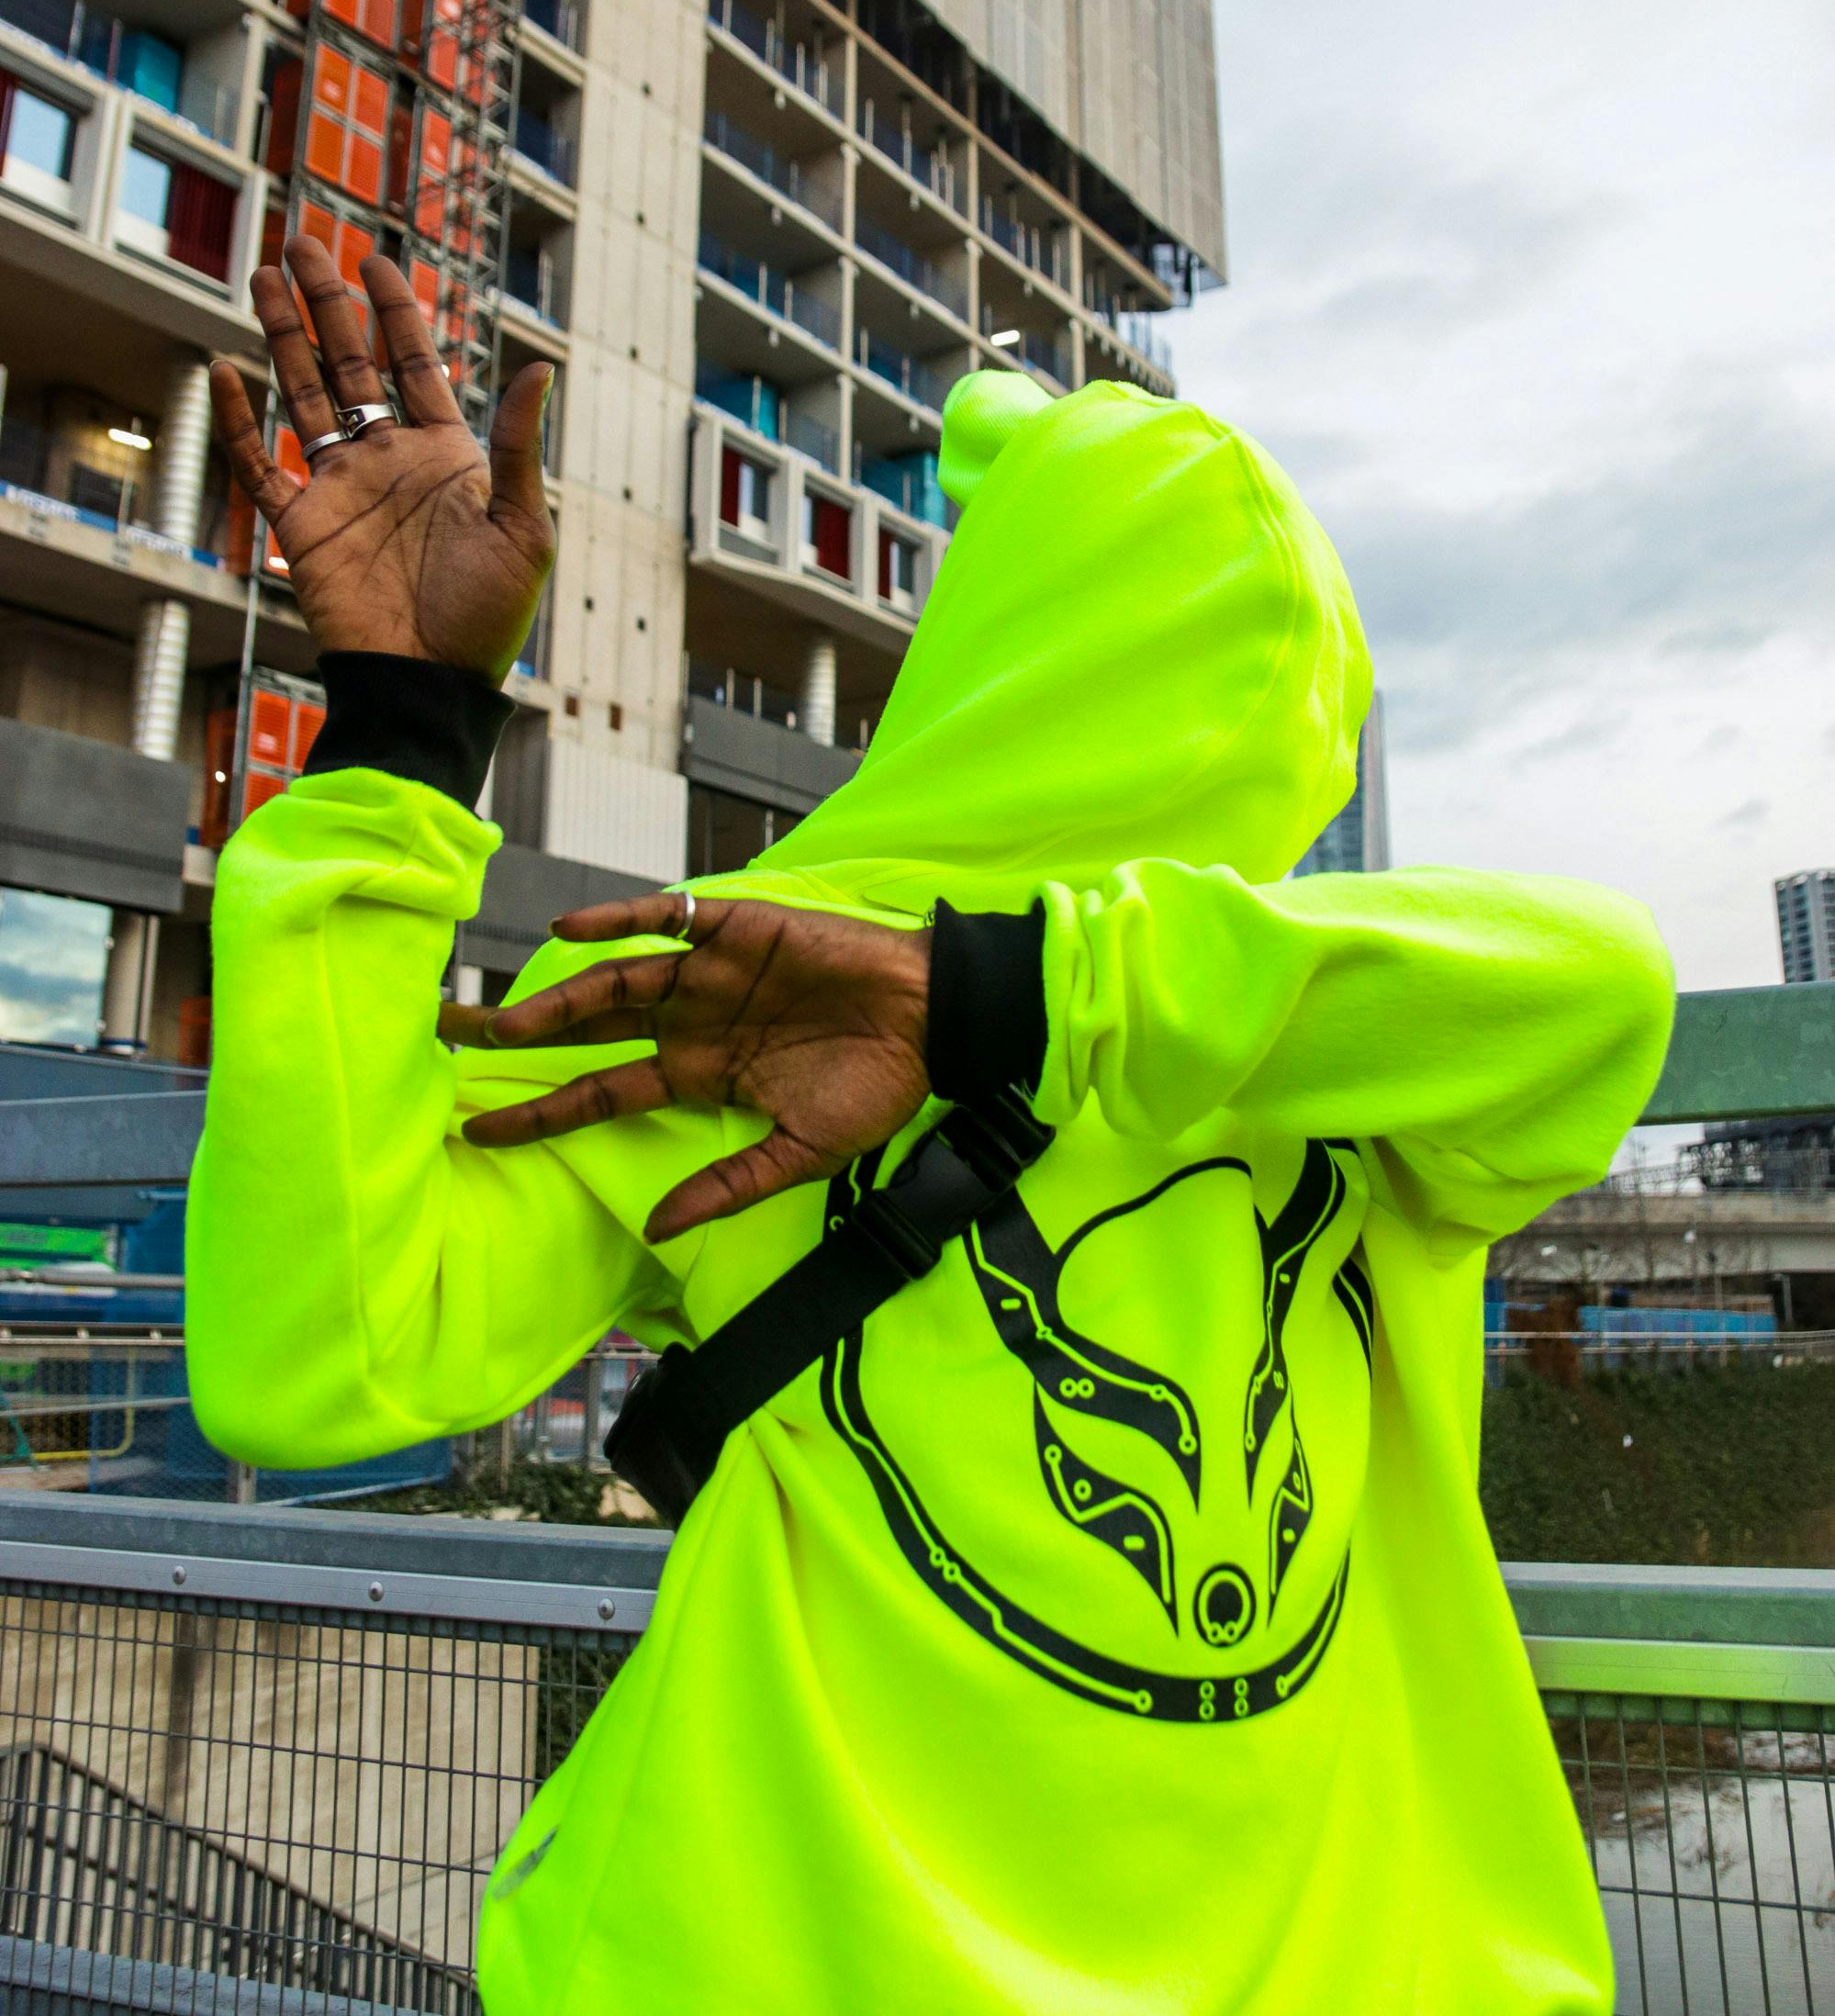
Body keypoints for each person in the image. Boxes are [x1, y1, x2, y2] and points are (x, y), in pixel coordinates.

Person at [193, 237, 1674, 2016]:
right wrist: (397, 746)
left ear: (983, 653)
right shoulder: (741, 1008)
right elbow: (310, 1375)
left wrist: (1007, 997)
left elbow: (1604, 985)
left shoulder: (1323, 1038)